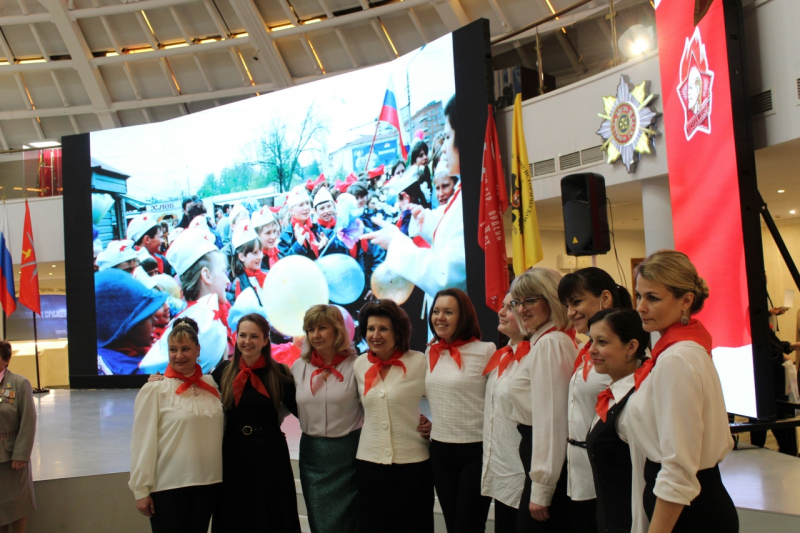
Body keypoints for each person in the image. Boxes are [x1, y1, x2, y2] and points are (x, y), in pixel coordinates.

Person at [629, 250, 738, 532]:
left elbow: (678, 468)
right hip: (692, 501)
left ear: (686, 300)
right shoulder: (682, 350)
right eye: (639, 296)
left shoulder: (677, 358)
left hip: (687, 512)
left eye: (653, 298)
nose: (640, 307)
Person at [363, 96, 465, 319]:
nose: (443, 149)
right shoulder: (463, 193)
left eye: (448, 137)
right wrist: (426, 220)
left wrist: (396, 242)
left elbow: (448, 277)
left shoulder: (470, 196)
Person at [500, 268, 578, 532]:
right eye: (517, 302)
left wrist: (542, 489)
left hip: (546, 459)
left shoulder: (550, 344)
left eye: (530, 300)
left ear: (552, 299)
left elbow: (552, 422)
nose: (521, 309)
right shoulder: (546, 340)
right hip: (540, 455)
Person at [129, 318, 224, 533]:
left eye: (185, 349)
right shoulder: (155, 390)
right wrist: (141, 489)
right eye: (173, 349)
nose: (179, 355)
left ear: (198, 350)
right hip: (169, 487)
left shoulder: (211, 384)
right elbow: (142, 443)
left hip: (208, 485)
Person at [556, 267, 633, 530]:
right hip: (580, 470)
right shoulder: (586, 350)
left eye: (577, 302)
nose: (570, 312)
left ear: (605, 298)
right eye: (567, 305)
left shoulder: (624, 352)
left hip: (609, 471)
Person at [212, 313, 300, 533]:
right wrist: (162, 380)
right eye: (242, 335)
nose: (247, 341)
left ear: (265, 340)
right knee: (235, 515)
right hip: (233, 452)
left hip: (270, 455)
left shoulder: (279, 373)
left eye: (254, 336)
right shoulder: (223, 371)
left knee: (270, 516)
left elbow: (304, 411)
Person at [354, 299, 434, 533]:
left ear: (398, 332)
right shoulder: (359, 365)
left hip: (413, 465)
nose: (375, 335)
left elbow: (445, 398)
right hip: (369, 465)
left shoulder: (419, 361)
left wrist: (435, 425)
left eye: (383, 329)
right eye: (371, 328)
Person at [425, 288, 495, 533]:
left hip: (475, 451)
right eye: (436, 311)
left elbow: (498, 402)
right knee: (452, 525)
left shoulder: (486, 350)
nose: (439, 317)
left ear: (463, 316)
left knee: (468, 526)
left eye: (448, 312)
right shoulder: (431, 351)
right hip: (440, 450)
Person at [291, 305, 363, 533]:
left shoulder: (357, 366)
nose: (316, 335)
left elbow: (375, 406)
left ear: (338, 330)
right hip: (313, 458)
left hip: (349, 458)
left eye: (322, 328)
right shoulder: (298, 368)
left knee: (351, 524)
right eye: (310, 329)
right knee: (320, 524)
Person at [584, 308, 649, 533]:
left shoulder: (635, 403)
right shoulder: (614, 394)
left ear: (631, 347)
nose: (592, 349)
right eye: (591, 341)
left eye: (602, 342)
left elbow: (644, 481)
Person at [140, 228, 231, 374]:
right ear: (206, 275)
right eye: (222, 271)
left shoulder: (198, 316)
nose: (227, 280)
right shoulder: (205, 326)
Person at [480, 293, 526, 533]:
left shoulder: (536, 357)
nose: (501, 312)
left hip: (524, 473)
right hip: (502, 471)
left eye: (511, 307)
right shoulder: (503, 355)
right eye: (503, 306)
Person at [96, 269, 168, 375]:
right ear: (125, 328)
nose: (155, 320)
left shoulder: (128, 351)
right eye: (147, 316)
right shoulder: (136, 372)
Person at [0, 341, 36, 533]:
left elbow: (28, 420)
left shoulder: (19, 383)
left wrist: (21, 454)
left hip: (12, 458)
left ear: (6, 360)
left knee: (17, 503)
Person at [226, 221, 265, 306]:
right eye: (255, 253)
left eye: (260, 251)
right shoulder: (237, 285)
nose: (260, 256)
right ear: (241, 256)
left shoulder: (265, 275)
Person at [252, 206, 281, 272]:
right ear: (257, 236)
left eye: (274, 231)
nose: (273, 237)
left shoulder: (279, 253)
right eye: (268, 233)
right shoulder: (256, 262)